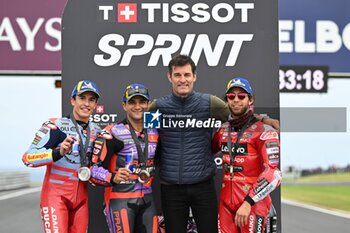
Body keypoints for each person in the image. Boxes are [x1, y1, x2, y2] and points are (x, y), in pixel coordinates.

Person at [149, 54, 279, 233]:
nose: (182, 80)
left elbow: (238, 113)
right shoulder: (157, 107)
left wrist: (264, 120)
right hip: (171, 188)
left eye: (187, 75)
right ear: (169, 77)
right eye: (178, 75)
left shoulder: (209, 103)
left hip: (203, 186)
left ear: (194, 77)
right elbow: (145, 138)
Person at [22, 80, 101, 233]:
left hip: (81, 200)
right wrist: (58, 152)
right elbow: (28, 158)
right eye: (82, 98)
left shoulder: (96, 131)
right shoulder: (55, 126)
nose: (86, 103)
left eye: (91, 99)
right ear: (73, 100)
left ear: (96, 104)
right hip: (55, 197)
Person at [211, 77, 282, 233]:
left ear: (250, 100)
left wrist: (249, 202)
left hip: (252, 204)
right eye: (231, 96)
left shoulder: (264, 131)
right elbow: (206, 149)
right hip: (226, 204)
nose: (236, 100)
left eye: (241, 96)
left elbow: (274, 174)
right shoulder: (223, 129)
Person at [89, 84, 159, 233]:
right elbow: (92, 170)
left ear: (148, 104)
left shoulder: (155, 132)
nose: (137, 106)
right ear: (124, 105)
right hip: (120, 200)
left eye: (142, 102)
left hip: (148, 200)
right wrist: (112, 177)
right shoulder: (112, 132)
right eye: (132, 102)